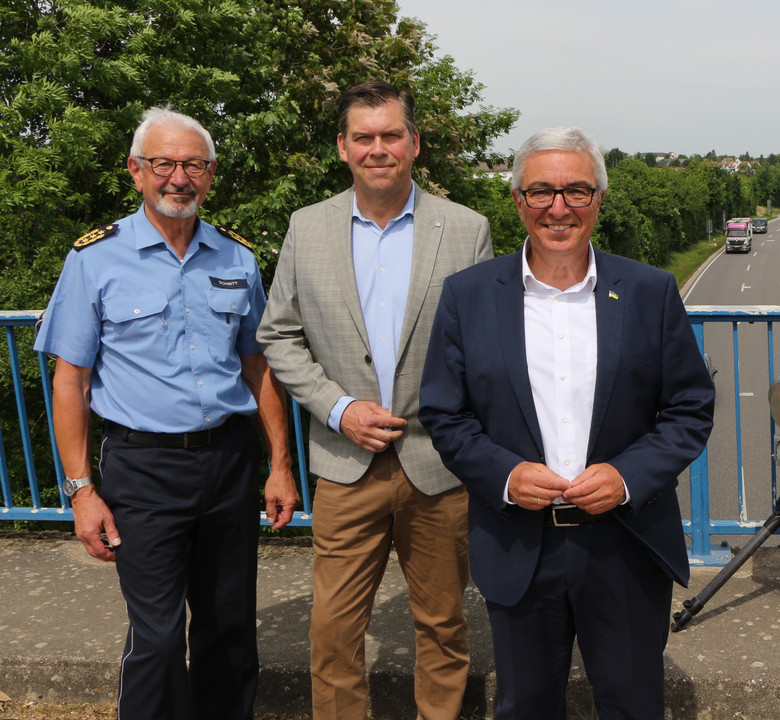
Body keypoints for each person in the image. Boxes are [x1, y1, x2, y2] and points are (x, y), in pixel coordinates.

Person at [419, 126, 716, 720]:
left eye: (576, 191)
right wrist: (505, 476)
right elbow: (444, 415)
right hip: (518, 543)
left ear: (599, 199)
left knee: (633, 706)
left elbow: (689, 408)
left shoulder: (649, 291)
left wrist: (628, 477)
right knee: (525, 707)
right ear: (517, 201)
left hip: (624, 543)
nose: (559, 208)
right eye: (541, 193)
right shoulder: (467, 296)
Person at [33, 106, 299, 720]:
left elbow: (259, 368)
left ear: (210, 174)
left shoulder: (236, 258)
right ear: (136, 171)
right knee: (154, 637)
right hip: (142, 467)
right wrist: (80, 492)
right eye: (164, 163)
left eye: (194, 165)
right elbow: (70, 381)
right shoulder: (95, 259)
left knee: (228, 625)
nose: (179, 177)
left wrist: (279, 465)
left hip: (229, 461)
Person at [256, 81, 491, 720]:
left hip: (438, 467)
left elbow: (485, 348)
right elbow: (277, 333)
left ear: (414, 143)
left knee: (442, 627)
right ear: (343, 147)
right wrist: (338, 408)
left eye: (391, 135)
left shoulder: (466, 229)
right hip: (343, 463)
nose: (378, 148)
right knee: (332, 634)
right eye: (364, 137)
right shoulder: (307, 228)